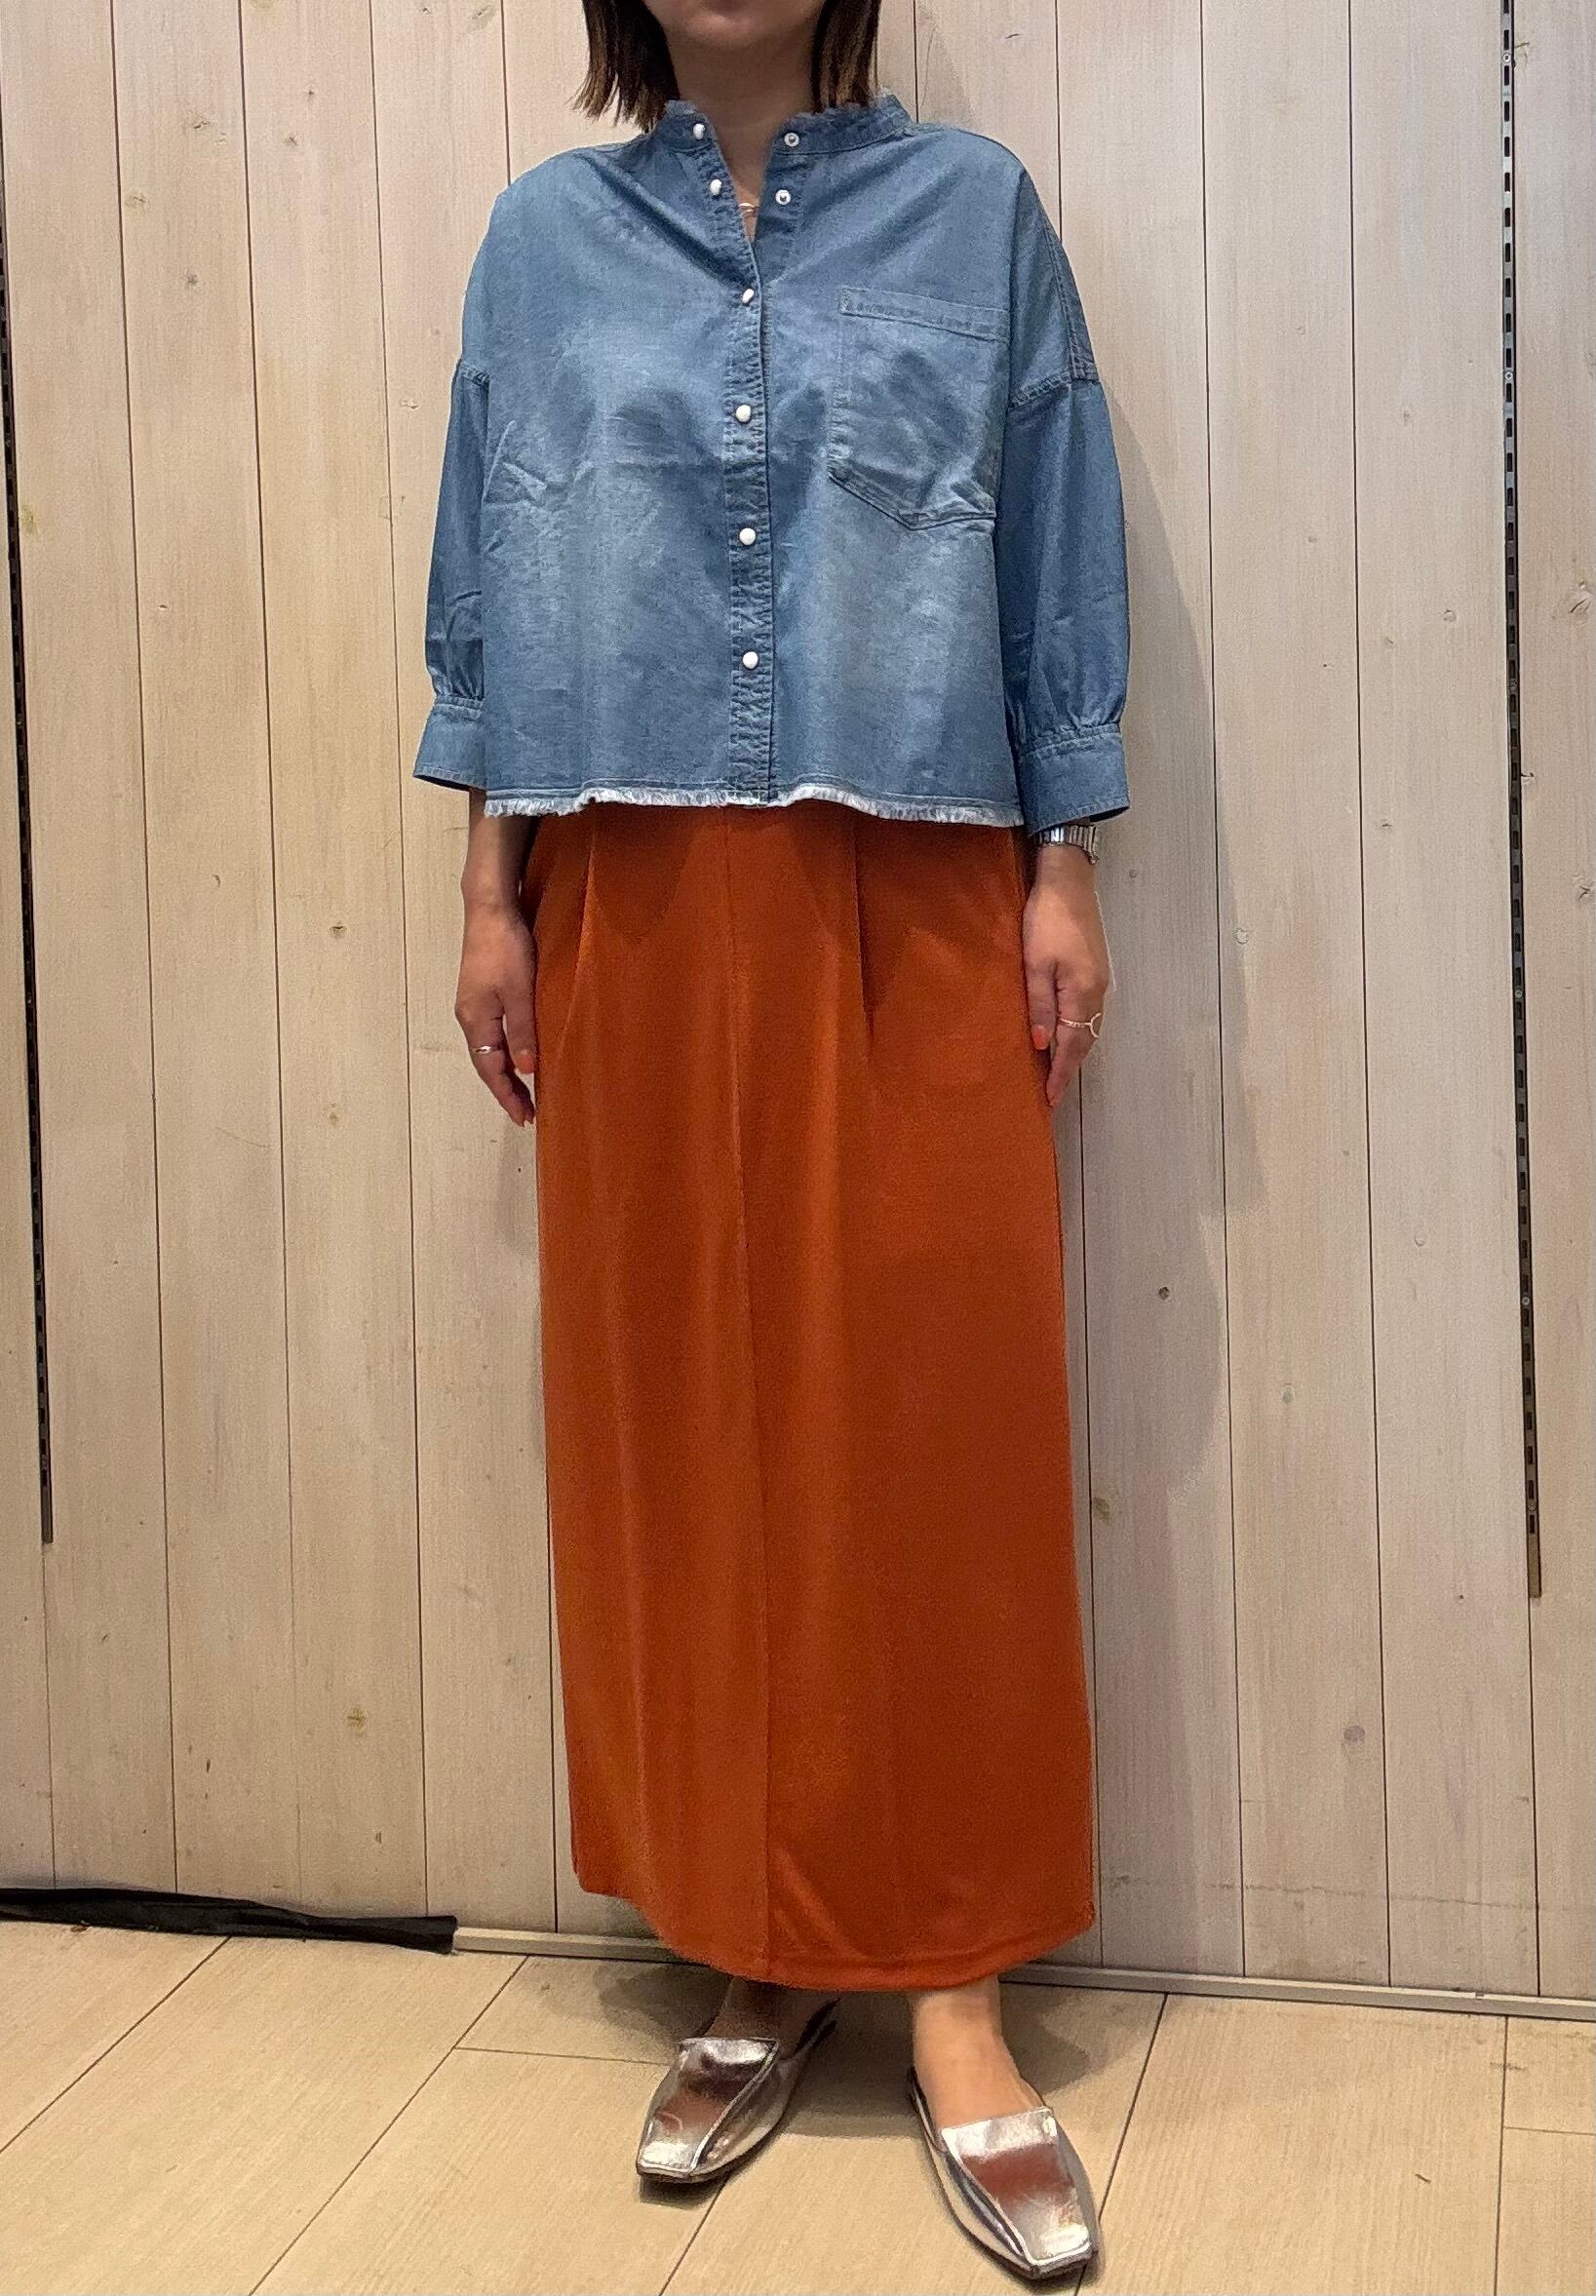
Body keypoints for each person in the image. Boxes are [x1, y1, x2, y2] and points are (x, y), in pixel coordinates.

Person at [413, 0, 1131, 2277]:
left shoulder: (975, 217)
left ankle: (951, 1971)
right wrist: (490, 893)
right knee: (686, 1424)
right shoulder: (540, 243)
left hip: (914, 857)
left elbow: (1053, 525)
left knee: (936, 1420)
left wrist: (1065, 860)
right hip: (630, 880)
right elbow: (491, 567)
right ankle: (752, 1933)